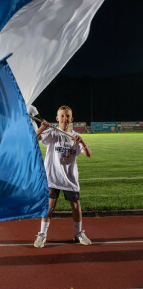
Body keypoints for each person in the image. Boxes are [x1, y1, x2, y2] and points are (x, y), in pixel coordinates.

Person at [33, 105, 92, 248]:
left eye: (67, 116)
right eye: (62, 116)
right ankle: (42, 234)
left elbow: (88, 154)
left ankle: (78, 234)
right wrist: (42, 127)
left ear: (71, 119)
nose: (65, 119)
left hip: (70, 179)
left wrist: (82, 142)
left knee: (76, 206)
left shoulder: (75, 137)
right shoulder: (52, 133)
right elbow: (34, 138)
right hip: (52, 177)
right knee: (49, 208)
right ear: (57, 118)